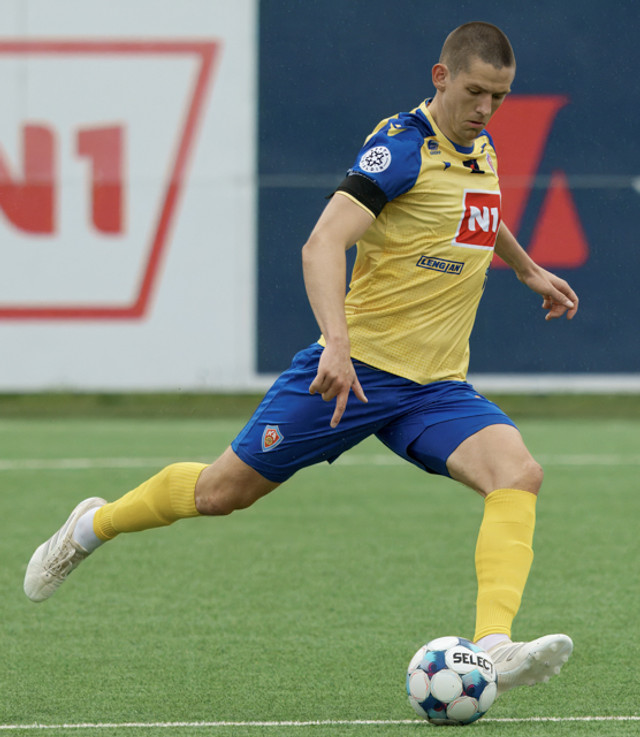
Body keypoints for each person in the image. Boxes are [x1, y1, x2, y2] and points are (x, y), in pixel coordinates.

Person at [25, 21, 577, 696]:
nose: (486, 109)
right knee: (220, 492)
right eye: (475, 92)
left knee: (518, 473)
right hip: (355, 372)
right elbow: (321, 243)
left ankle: (493, 646)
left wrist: (526, 268)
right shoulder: (401, 149)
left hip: (435, 386)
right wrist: (336, 344)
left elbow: (472, 210)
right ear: (441, 77)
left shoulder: (478, 146)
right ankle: (90, 527)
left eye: (499, 97)